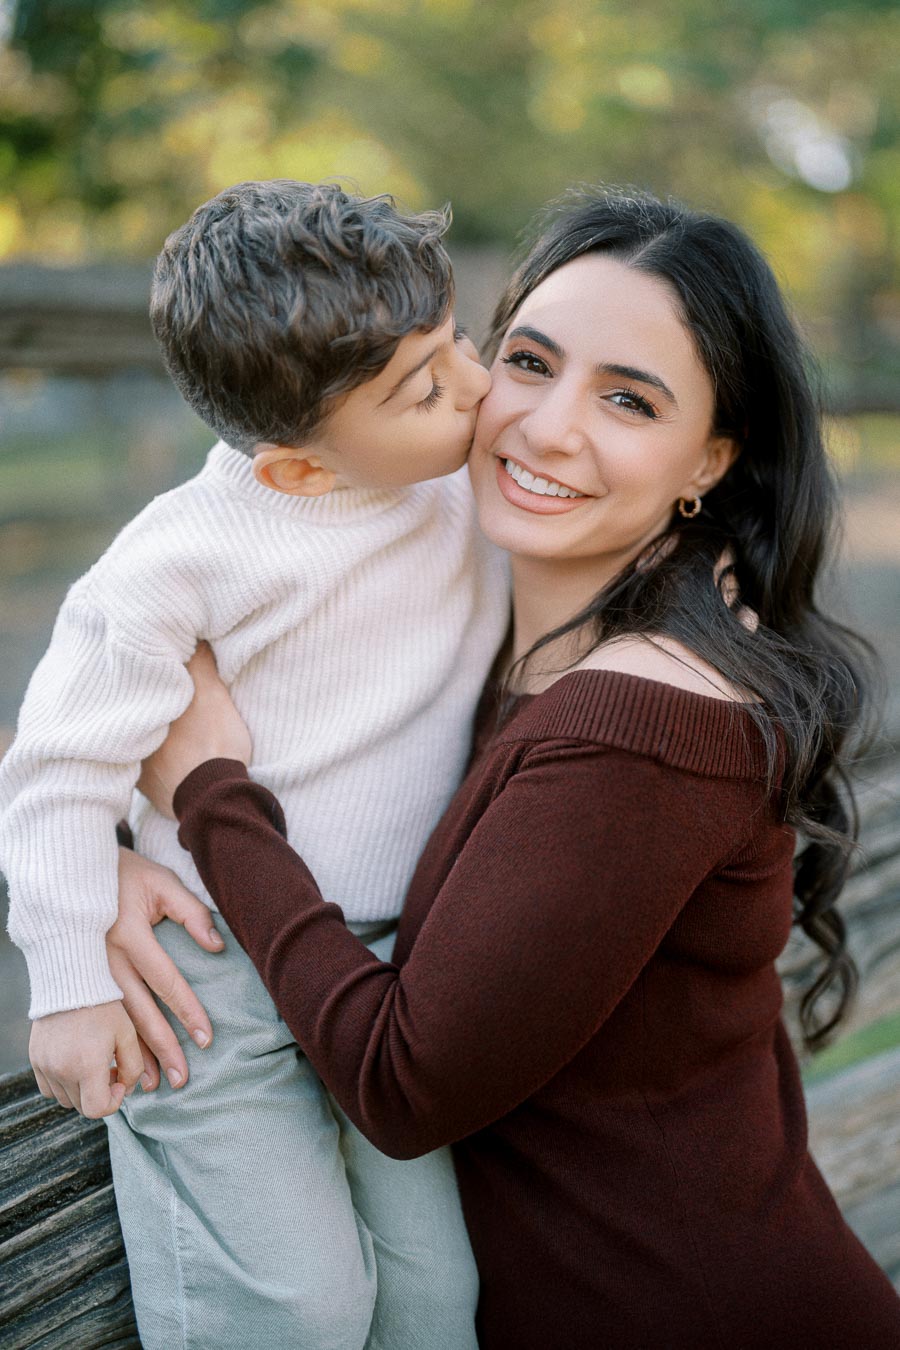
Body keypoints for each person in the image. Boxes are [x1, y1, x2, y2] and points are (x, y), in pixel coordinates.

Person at [115, 187, 900, 1349]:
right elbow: (125, 651)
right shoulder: (500, 599)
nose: (545, 427)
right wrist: (119, 852)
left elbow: (400, 1084)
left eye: (629, 400)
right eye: (529, 361)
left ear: (710, 460)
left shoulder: (642, 727)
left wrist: (213, 809)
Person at [0, 180, 510, 1348]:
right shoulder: (177, 565)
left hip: (390, 968)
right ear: (295, 469)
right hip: (215, 976)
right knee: (296, 1307)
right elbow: (58, 769)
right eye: (426, 388)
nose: (475, 389)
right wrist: (71, 981)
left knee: (436, 1296)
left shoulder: (465, 487)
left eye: (460, 344)